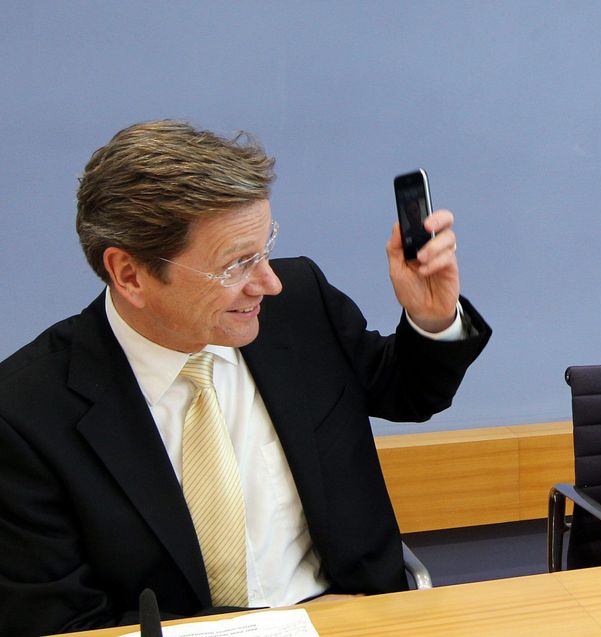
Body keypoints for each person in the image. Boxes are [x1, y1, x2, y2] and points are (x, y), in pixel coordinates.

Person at [0, 120, 491, 636]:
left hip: (357, 621)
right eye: (236, 265)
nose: (269, 283)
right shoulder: (25, 416)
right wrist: (286, 626)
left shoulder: (298, 305)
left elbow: (408, 393)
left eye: (265, 249)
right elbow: (64, 625)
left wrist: (433, 319)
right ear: (129, 274)